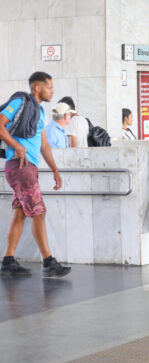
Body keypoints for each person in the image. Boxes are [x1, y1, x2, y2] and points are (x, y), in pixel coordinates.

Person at [0, 72, 71, 277]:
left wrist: (55, 170)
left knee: (21, 213)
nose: (53, 91)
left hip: (27, 167)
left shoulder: (38, 110)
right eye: (50, 87)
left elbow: (44, 144)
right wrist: (17, 147)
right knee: (38, 212)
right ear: (37, 88)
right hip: (21, 165)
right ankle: (49, 261)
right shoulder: (20, 101)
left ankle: (9, 260)